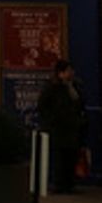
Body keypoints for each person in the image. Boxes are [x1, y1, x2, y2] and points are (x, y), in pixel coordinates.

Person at [37, 59, 86, 194]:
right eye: (68, 71)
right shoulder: (52, 87)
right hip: (59, 128)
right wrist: (52, 120)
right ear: (60, 73)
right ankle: (59, 185)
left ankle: (69, 184)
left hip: (73, 127)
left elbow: (80, 103)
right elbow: (42, 106)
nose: (72, 73)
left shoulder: (75, 86)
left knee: (71, 156)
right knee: (60, 157)